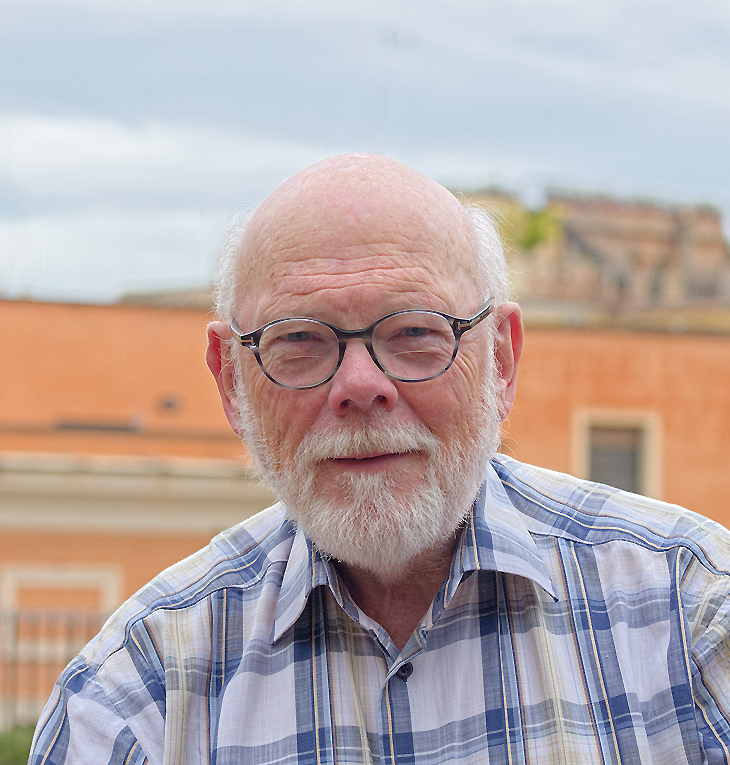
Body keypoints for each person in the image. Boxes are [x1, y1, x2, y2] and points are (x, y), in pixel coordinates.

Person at [30, 155, 730, 764]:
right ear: (231, 382)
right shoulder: (137, 698)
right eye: (299, 340)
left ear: (501, 359)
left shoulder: (693, 616)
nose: (361, 386)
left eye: (416, 332)